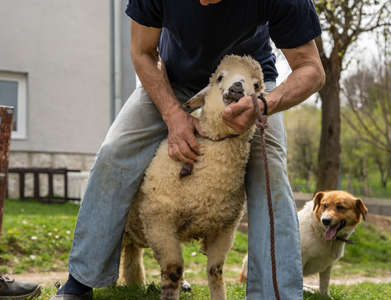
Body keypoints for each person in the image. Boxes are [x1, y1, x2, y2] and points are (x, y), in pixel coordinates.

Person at [51, 0, 325, 299]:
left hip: (247, 85)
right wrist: (172, 114)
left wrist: (263, 104)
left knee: (269, 168)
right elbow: (142, 51)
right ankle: (81, 280)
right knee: (116, 150)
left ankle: (277, 294)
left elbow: (311, 68)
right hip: (170, 79)